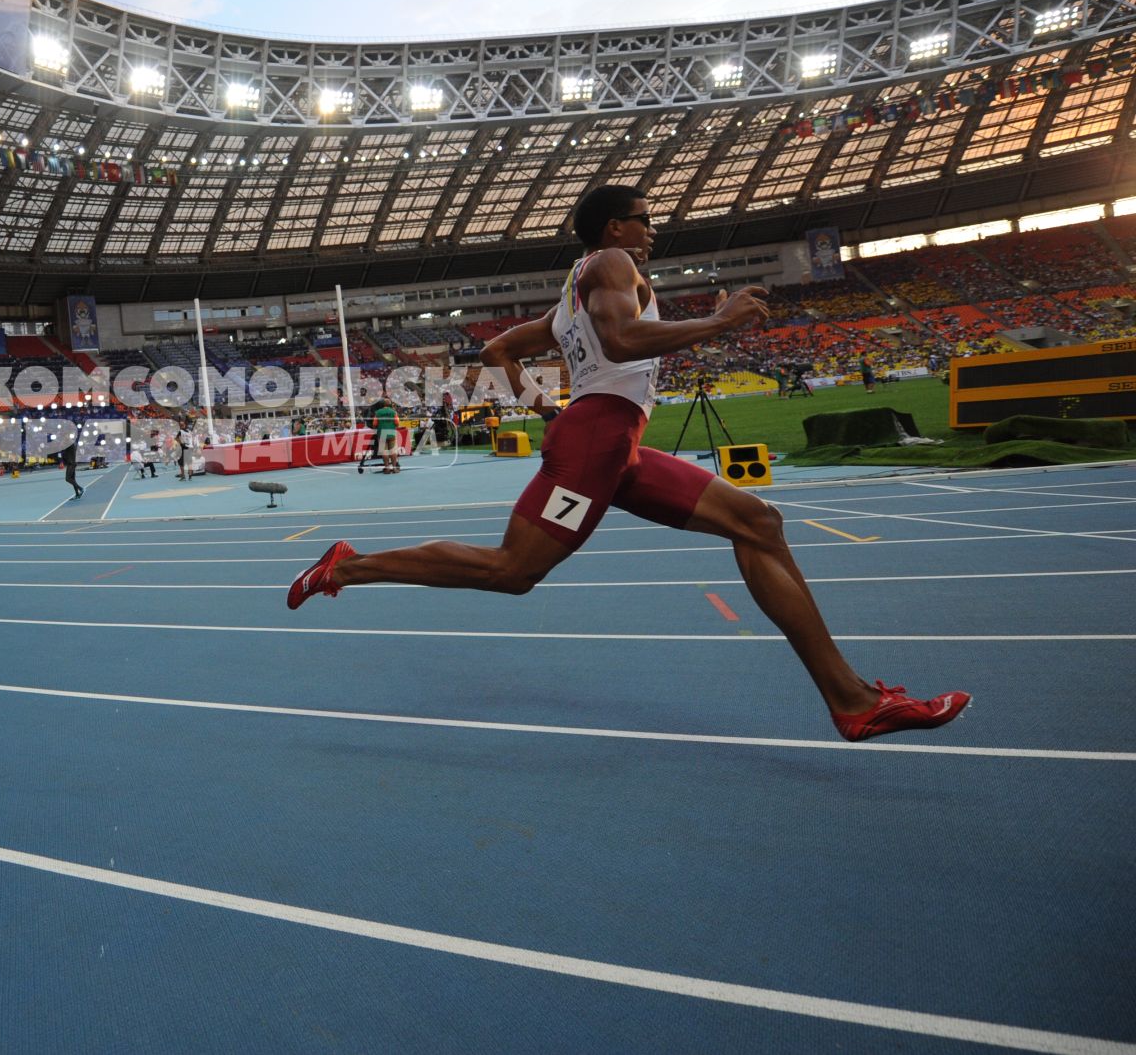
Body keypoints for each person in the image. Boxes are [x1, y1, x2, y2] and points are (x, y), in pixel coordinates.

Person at [285, 184, 969, 743]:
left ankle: (852, 699)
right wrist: (721, 322)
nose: (653, 229)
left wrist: (544, 407)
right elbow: (618, 340)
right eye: (645, 219)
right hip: (596, 444)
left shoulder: (568, 298)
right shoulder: (612, 267)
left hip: (615, 445)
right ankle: (347, 565)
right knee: (512, 571)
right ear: (614, 227)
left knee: (759, 520)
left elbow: (498, 352)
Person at [372, 397, 401, 474]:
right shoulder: (393, 412)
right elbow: (397, 423)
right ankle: (394, 468)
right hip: (391, 432)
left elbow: (374, 424)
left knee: (384, 451)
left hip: (382, 433)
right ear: (390, 404)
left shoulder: (377, 412)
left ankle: (387, 468)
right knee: (393, 451)